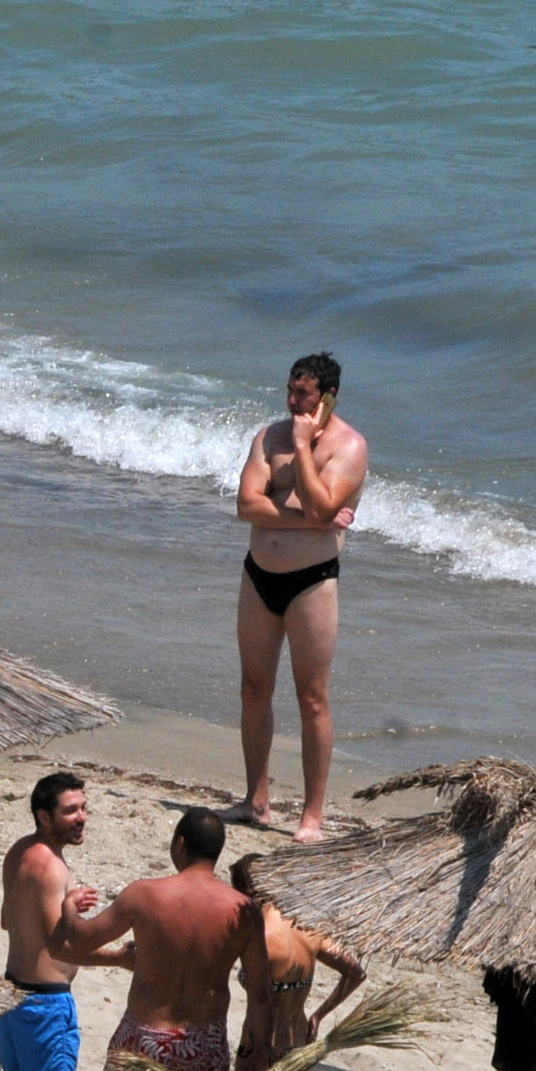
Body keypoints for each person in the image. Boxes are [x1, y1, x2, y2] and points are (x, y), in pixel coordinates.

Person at [55, 809, 262, 1071]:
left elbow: (83, 939)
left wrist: (69, 910)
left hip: (143, 1038)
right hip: (204, 1042)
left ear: (179, 844)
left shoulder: (145, 894)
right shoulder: (244, 910)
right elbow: (261, 995)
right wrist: (252, 1054)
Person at [233, 352, 368, 843]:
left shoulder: (349, 447)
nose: (292, 402)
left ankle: (312, 816)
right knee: (253, 689)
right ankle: (256, 801)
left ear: (327, 397)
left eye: (303, 395)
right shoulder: (267, 437)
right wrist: (308, 520)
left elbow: (320, 504)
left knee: (312, 699)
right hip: (258, 576)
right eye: (290, 391)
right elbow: (247, 504)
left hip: (312, 581)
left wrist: (302, 446)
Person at [0, 772, 131, 1071]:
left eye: (84, 808)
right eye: (70, 811)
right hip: (45, 1004)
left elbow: (6, 920)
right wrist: (119, 958)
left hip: (13, 995)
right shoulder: (50, 867)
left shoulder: (19, 852)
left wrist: (62, 911)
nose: (81, 817)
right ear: (43, 816)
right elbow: (60, 948)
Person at [231, 857, 364, 1071]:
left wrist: (257, 1052)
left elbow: (261, 1003)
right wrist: (318, 1016)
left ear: (250, 893)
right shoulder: (307, 928)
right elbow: (356, 973)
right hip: (297, 1043)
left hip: (259, 1046)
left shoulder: (262, 937)